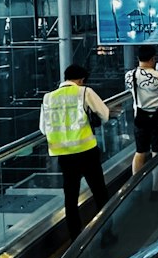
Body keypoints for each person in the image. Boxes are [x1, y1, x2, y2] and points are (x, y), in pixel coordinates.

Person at [40, 61, 112, 241]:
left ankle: (74, 237)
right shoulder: (83, 92)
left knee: (70, 197)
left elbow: (43, 128)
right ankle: (106, 233)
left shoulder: (48, 97)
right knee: (99, 192)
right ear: (81, 79)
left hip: (63, 155)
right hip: (86, 150)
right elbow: (105, 114)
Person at [125, 45, 158, 182]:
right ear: (153, 59)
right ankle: (155, 188)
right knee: (157, 154)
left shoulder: (129, 75)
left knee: (140, 152)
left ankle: (136, 186)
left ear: (138, 58)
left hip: (140, 118)